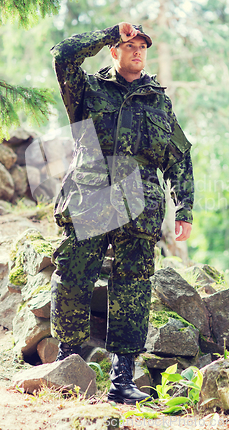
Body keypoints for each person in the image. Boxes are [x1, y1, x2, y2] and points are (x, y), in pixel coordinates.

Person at [49, 22, 194, 404]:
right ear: (115, 50)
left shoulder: (157, 101)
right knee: (74, 278)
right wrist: (109, 31)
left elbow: (178, 155)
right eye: (130, 44)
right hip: (90, 200)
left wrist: (185, 207)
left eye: (143, 46)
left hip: (140, 209)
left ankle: (123, 378)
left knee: (133, 288)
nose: (138, 51)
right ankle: (67, 365)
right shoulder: (87, 90)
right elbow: (62, 55)